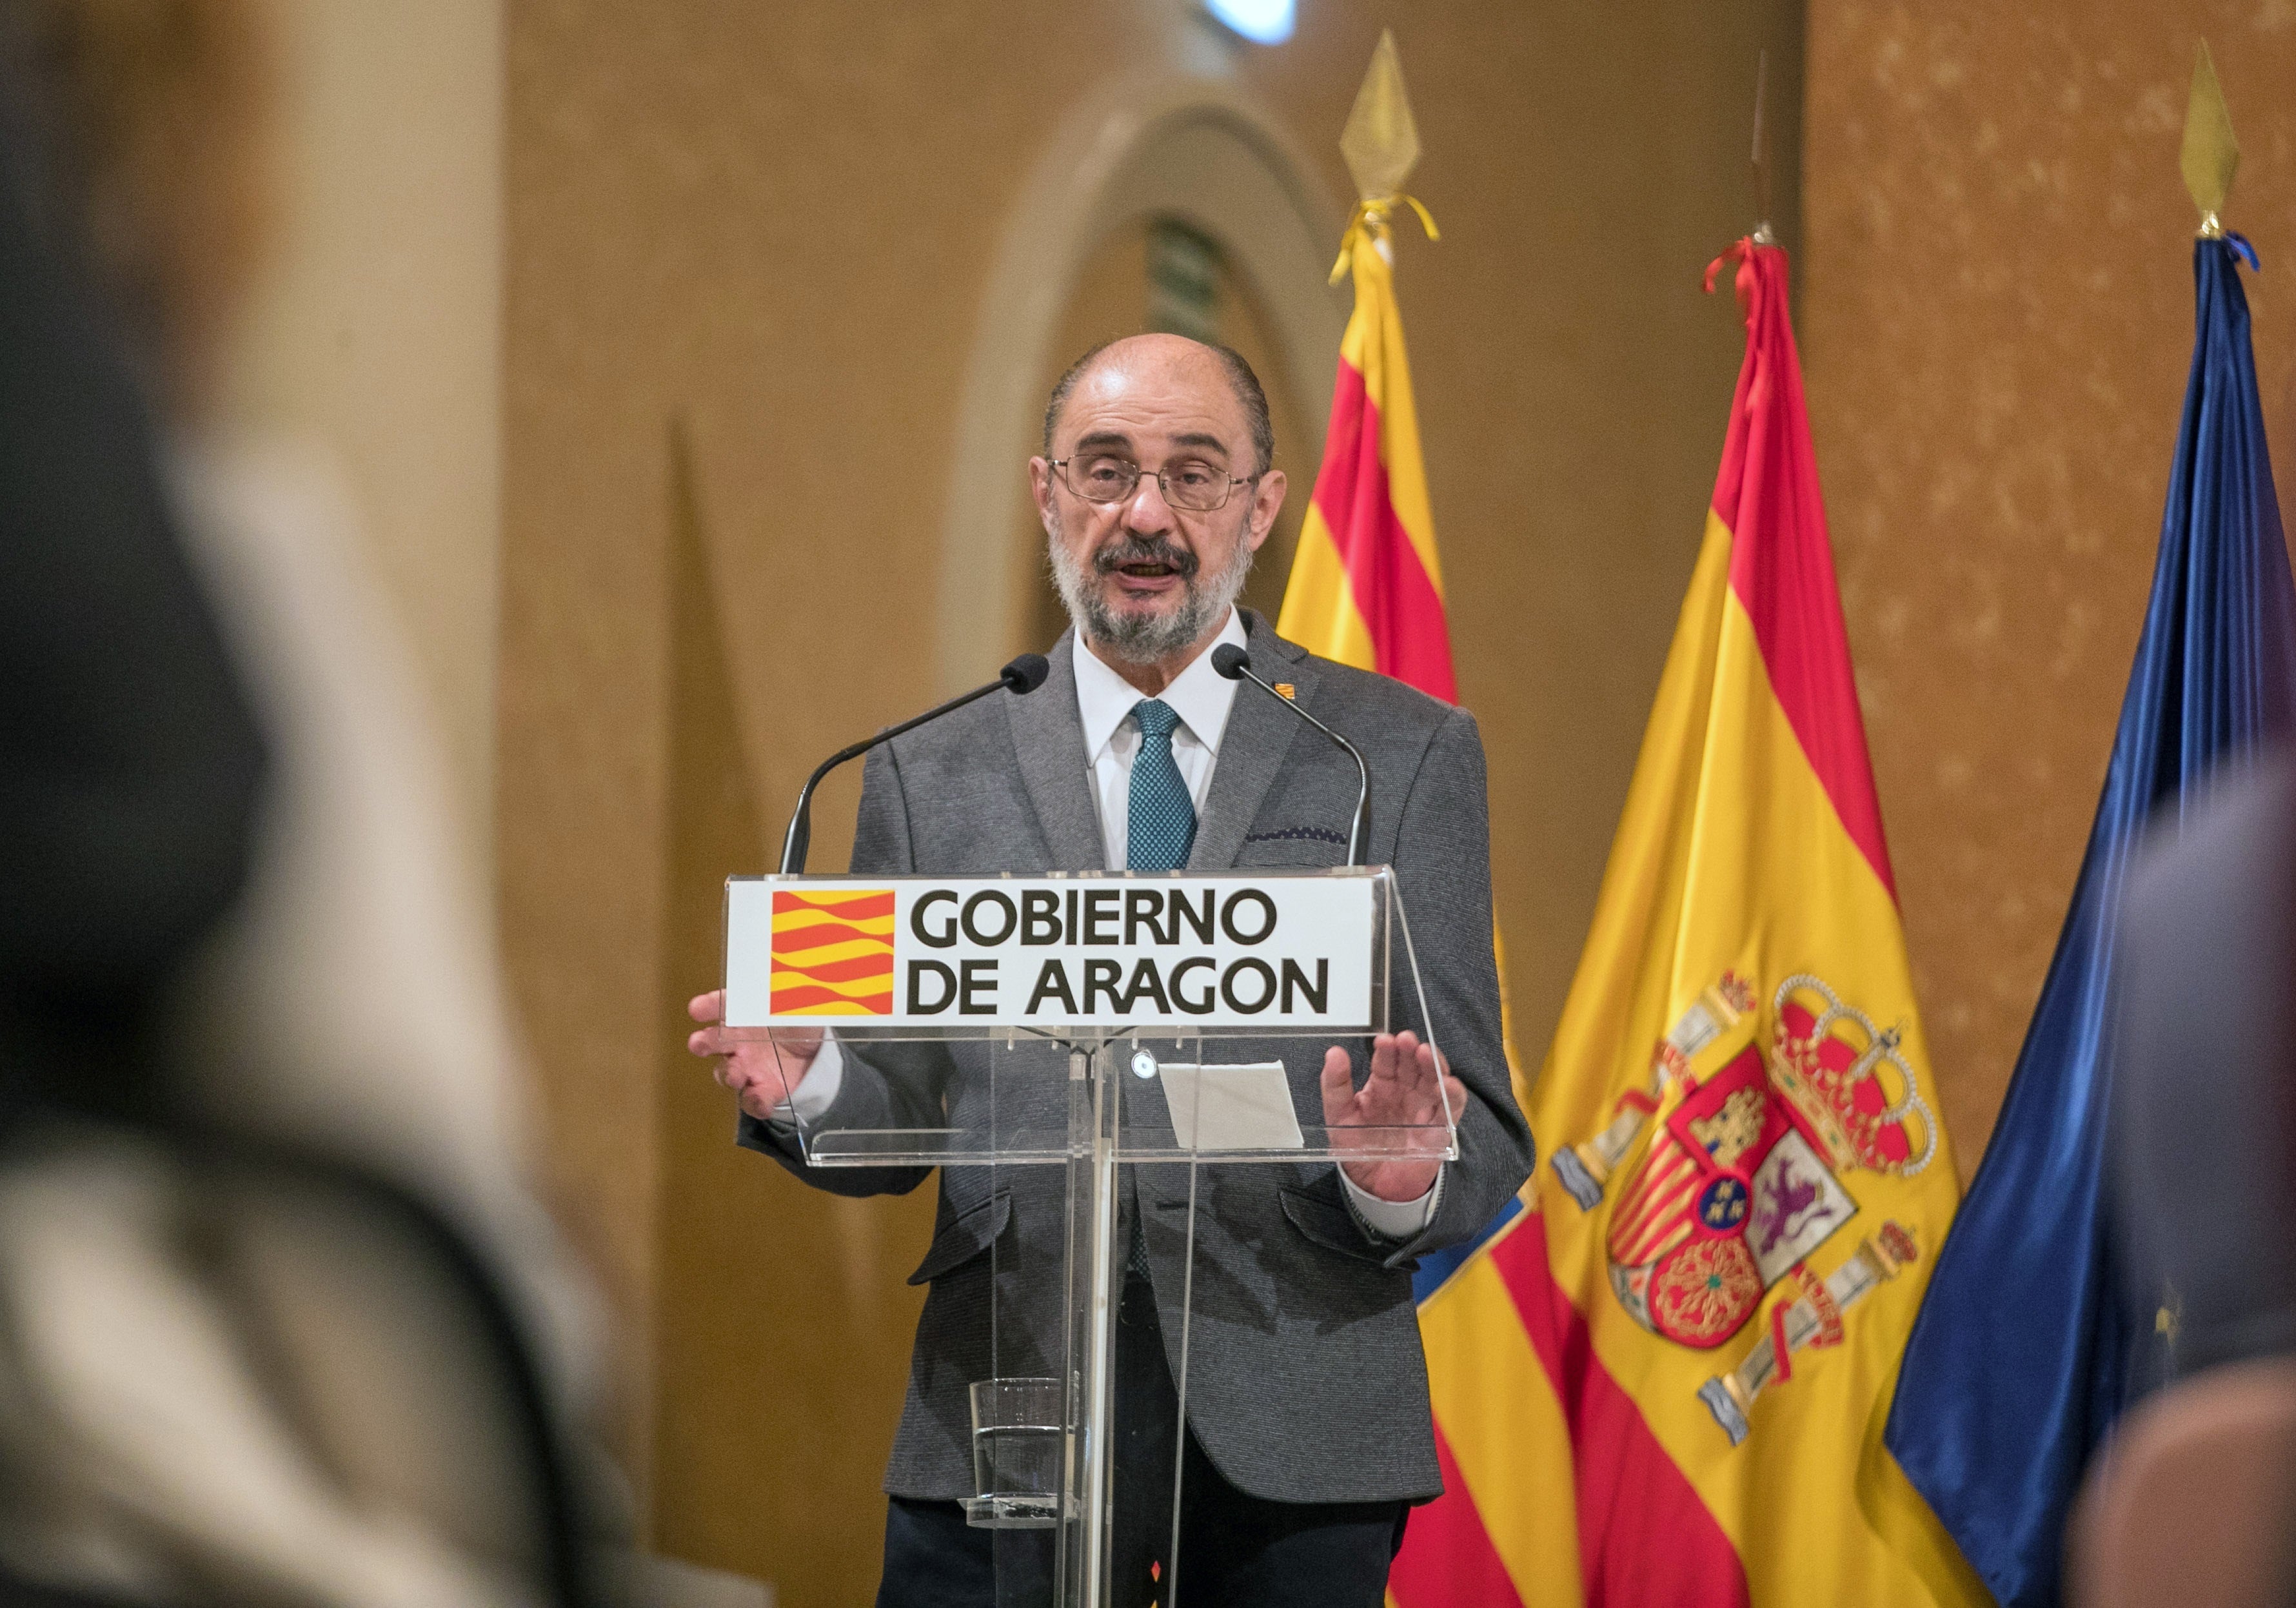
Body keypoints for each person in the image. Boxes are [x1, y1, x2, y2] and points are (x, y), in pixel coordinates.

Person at [688, 333, 1533, 1606]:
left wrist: (1404, 1179)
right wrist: (813, 1083)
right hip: (1000, 1417)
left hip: (1295, 1427)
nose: (1144, 513)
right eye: (1105, 470)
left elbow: (1484, 1123)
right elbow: (902, 1112)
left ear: (1262, 505)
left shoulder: (1393, 755)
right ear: (1046, 495)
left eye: (1193, 475)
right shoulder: (930, 767)